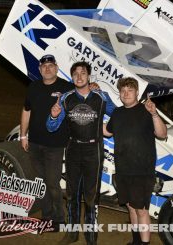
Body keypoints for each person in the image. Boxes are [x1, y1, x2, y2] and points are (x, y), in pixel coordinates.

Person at [46, 61, 115, 245]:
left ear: (88, 76)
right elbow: (51, 127)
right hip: (73, 149)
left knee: (92, 195)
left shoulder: (101, 97)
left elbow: (118, 115)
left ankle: (91, 236)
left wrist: (110, 128)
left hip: (94, 150)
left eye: (82, 73)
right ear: (72, 77)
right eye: (75, 73)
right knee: (72, 193)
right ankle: (72, 233)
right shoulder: (66, 98)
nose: (79, 76)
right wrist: (53, 116)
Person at [103, 77, 167, 245]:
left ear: (137, 92)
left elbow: (162, 134)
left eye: (130, 90)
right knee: (131, 207)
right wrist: (90, 118)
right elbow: (107, 132)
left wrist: (154, 114)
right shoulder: (117, 113)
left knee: (142, 211)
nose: (126, 94)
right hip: (123, 170)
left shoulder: (146, 110)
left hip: (141, 171)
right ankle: (136, 241)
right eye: (123, 91)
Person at [20, 54, 74, 227]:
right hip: (34, 143)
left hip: (55, 145)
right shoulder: (33, 87)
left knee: (52, 182)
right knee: (41, 182)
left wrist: (93, 87)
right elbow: (26, 110)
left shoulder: (67, 87)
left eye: (51, 65)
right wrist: (23, 135)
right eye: (44, 66)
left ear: (57, 68)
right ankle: (47, 215)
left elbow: (83, 95)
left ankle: (59, 218)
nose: (48, 68)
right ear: (39, 70)